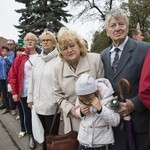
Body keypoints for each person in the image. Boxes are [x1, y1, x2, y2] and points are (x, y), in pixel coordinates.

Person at [100, 9, 150, 150]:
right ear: (107, 31)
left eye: (121, 24)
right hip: (116, 124)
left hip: (140, 123)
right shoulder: (102, 56)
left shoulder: (144, 49)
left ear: (127, 28)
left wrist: (135, 104)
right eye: (113, 25)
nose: (117, 28)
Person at [52, 27, 104, 134]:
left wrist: (94, 106)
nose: (69, 50)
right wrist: (71, 109)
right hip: (73, 121)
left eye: (72, 46)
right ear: (61, 52)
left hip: (95, 119)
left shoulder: (95, 60)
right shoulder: (58, 68)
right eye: (65, 48)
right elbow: (57, 95)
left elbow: (103, 89)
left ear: (79, 46)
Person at [27, 30, 60, 150]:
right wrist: (30, 99)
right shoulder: (38, 60)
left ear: (54, 43)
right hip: (38, 104)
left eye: (48, 40)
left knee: (52, 136)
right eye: (43, 40)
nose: (45, 42)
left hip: (52, 106)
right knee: (41, 134)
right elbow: (32, 81)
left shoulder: (59, 60)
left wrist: (57, 102)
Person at [9, 32, 40, 149]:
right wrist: (15, 92)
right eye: (27, 40)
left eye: (32, 40)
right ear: (25, 43)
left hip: (39, 92)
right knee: (28, 115)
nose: (30, 41)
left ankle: (40, 135)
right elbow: (13, 75)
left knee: (39, 115)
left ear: (36, 42)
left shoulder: (41, 56)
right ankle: (31, 136)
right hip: (25, 92)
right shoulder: (20, 58)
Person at [75, 73, 120, 150]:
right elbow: (77, 111)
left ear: (97, 92)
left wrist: (101, 109)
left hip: (101, 144)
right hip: (83, 141)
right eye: (83, 101)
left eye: (89, 99)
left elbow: (116, 121)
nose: (87, 103)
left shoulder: (107, 97)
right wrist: (80, 112)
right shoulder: (81, 96)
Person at [0, 46, 11, 114]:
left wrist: (5, 57)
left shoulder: (9, 57)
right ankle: (7, 107)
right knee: (4, 93)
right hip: (1, 79)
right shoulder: (0, 58)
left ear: (7, 52)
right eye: (2, 51)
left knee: (9, 93)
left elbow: (10, 64)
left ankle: (12, 107)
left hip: (8, 78)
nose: (4, 52)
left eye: (5, 51)